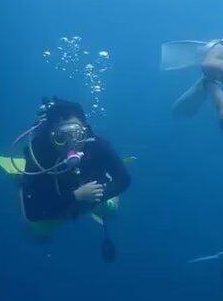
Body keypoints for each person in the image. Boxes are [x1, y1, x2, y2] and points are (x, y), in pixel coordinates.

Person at [9, 97, 131, 247]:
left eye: (77, 135)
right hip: (56, 198)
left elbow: (124, 180)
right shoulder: (40, 153)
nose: (70, 144)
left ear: (85, 131)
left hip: (87, 190)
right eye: (61, 138)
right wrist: (76, 196)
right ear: (50, 136)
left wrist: (96, 196)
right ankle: (20, 180)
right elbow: (32, 212)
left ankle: (97, 197)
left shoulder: (98, 145)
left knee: (111, 210)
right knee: (40, 234)